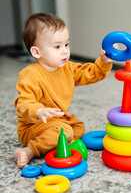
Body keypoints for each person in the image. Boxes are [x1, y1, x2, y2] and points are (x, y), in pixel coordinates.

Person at [14, 12, 116, 168]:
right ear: (36, 52)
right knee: (64, 131)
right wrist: (39, 111)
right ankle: (29, 151)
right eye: (57, 46)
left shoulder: (67, 68)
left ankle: (59, 141)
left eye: (66, 44)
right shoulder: (30, 75)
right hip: (33, 126)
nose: (64, 51)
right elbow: (23, 102)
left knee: (78, 126)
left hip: (56, 121)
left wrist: (103, 62)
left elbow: (89, 74)